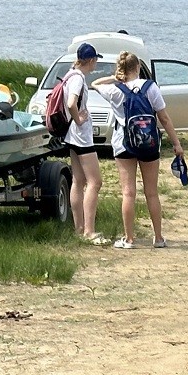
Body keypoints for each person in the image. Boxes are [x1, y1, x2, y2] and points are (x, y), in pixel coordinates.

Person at [92, 52, 185, 250]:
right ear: (138, 68)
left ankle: (129, 239)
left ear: (121, 69)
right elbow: (165, 119)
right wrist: (176, 143)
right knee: (152, 193)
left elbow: (94, 83)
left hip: (123, 143)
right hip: (149, 143)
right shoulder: (151, 88)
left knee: (128, 193)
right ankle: (158, 238)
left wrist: (114, 78)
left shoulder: (114, 90)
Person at [61, 42, 108, 245]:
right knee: (95, 182)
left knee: (78, 181)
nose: (96, 63)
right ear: (90, 60)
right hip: (81, 136)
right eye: (95, 59)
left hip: (71, 135)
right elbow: (72, 103)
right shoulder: (78, 79)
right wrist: (79, 119)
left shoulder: (70, 74)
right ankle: (89, 230)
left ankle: (79, 228)